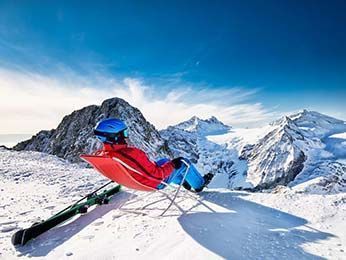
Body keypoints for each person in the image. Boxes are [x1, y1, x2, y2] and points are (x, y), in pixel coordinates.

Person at [93, 118, 214, 192]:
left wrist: (169, 164)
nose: (126, 136)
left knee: (164, 159)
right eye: (123, 133)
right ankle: (199, 185)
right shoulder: (131, 154)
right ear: (114, 136)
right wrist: (172, 165)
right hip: (153, 183)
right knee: (183, 162)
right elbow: (157, 176)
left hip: (134, 181)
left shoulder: (104, 154)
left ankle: (183, 181)